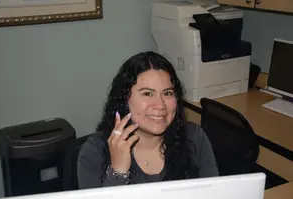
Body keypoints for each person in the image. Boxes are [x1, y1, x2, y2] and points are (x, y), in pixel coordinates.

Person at [77, 51, 219, 189]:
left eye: (167, 93)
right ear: (124, 100)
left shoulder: (194, 137)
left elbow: (217, 194)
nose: (160, 105)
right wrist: (118, 173)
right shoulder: (95, 150)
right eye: (147, 93)